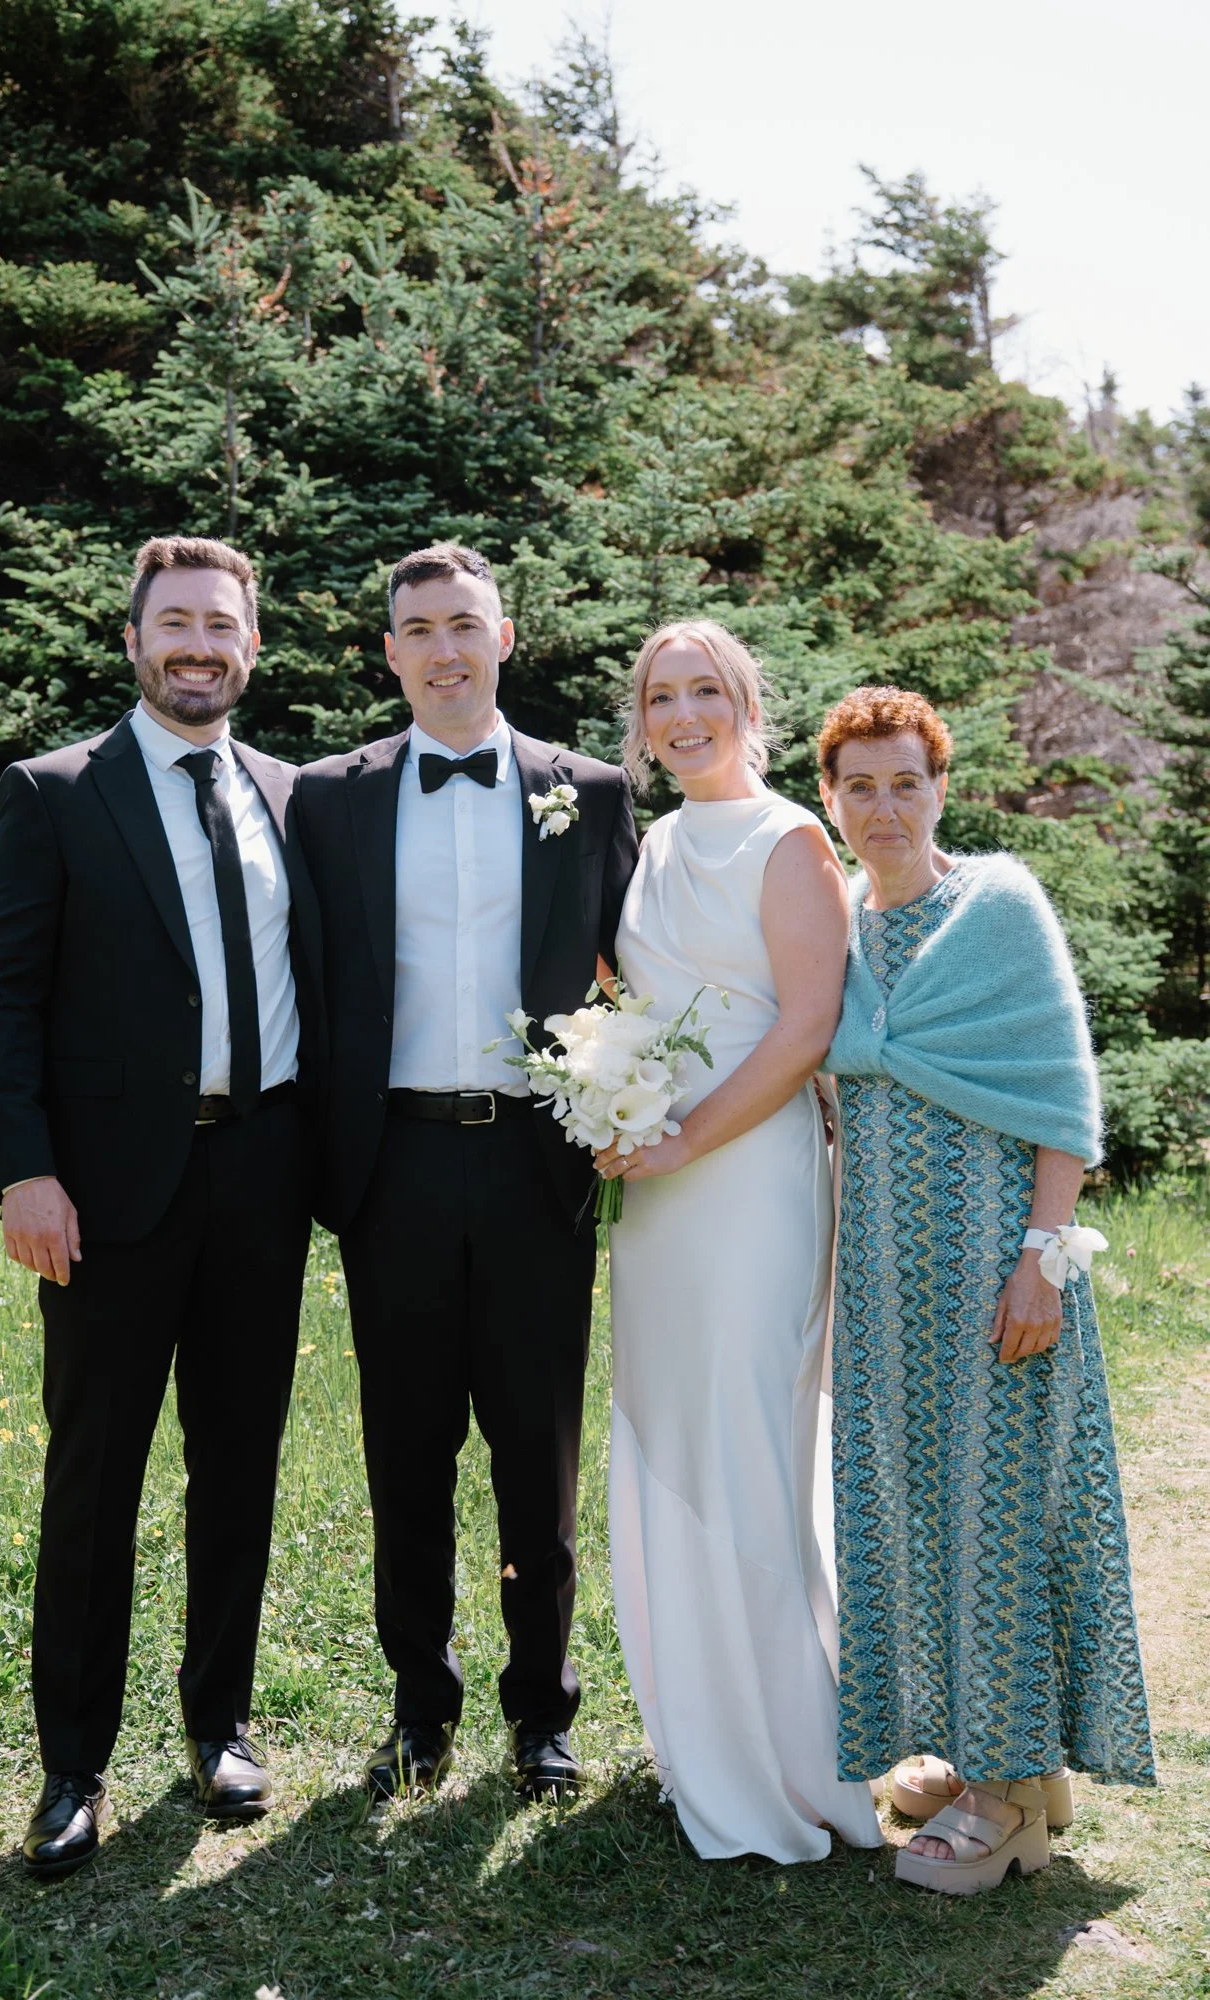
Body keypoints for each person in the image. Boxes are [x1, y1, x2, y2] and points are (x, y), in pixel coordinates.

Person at [0, 536, 324, 1877]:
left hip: (261, 1181)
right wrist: (25, 1168)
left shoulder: (290, 795)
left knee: (238, 1467)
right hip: (105, 1194)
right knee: (94, 1476)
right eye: (174, 622)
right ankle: (72, 1766)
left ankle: (219, 1726)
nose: (197, 646)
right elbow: (2, 995)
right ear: (132, 640)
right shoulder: (57, 791)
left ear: (250, 644)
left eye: (219, 625)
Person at [294, 543, 637, 1801]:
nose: (444, 650)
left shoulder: (586, 791)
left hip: (536, 1165)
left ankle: (542, 1711)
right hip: (390, 1165)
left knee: (535, 1454)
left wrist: (634, 1103)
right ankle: (419, 1707)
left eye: (464, 625)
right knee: (406, 1450)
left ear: (504, 637)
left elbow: (639, 970)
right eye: (420, 629)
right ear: (389, 652)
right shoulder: (325, 798)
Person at [817, 683, 1155, 1895]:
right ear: (829, 799)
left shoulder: (997, 905)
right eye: (860, 786)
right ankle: (997, 1756)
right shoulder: (834, 924)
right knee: (914, 1514)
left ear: (940, 788)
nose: (884, 807)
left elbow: (1063, 1101)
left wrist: (1039, 1261)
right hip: (878, 1284)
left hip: (994, 1272)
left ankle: (1005, 1806)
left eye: (905, 782)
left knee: (1000, 1515)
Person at [593, 620, 882, 1862]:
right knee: (670, 1435)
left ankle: (793, 1755)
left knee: (749, 1441)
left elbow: (805, 1024)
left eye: (704, 689)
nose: (682, 713)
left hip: (749, 1176)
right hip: (657, 1192)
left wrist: (685, 1139)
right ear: (641, 720)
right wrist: (602, 1088)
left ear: (745, 704)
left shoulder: (787, 838)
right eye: (661, 695)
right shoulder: (654, 843)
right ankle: (698, 1735)